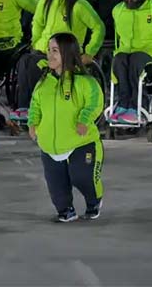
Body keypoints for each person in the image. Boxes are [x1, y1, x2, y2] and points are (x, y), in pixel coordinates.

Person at [28, 32, 104, 223]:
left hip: (81, 142)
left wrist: (84, 120)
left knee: (82, 178)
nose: (50, 55)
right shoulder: (43, 82)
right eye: (48, 50)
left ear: (67, 53)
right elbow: (35, 105)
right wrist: (32, 124)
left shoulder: (85, 82)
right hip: (50, 146)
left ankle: (93, 201)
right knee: (56, 186)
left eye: (55, 51)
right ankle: (65, 210)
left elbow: (95, 102)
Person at [14, 0, 105, 120]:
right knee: (25, 60)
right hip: (43, 50)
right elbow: (37, 24)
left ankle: (36, 108)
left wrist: (90, 52)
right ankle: (25, 107)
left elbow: (99, 27)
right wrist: (36, 43)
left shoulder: (79, 5)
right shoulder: (44, 2)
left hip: (66, 53)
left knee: (34, 64)